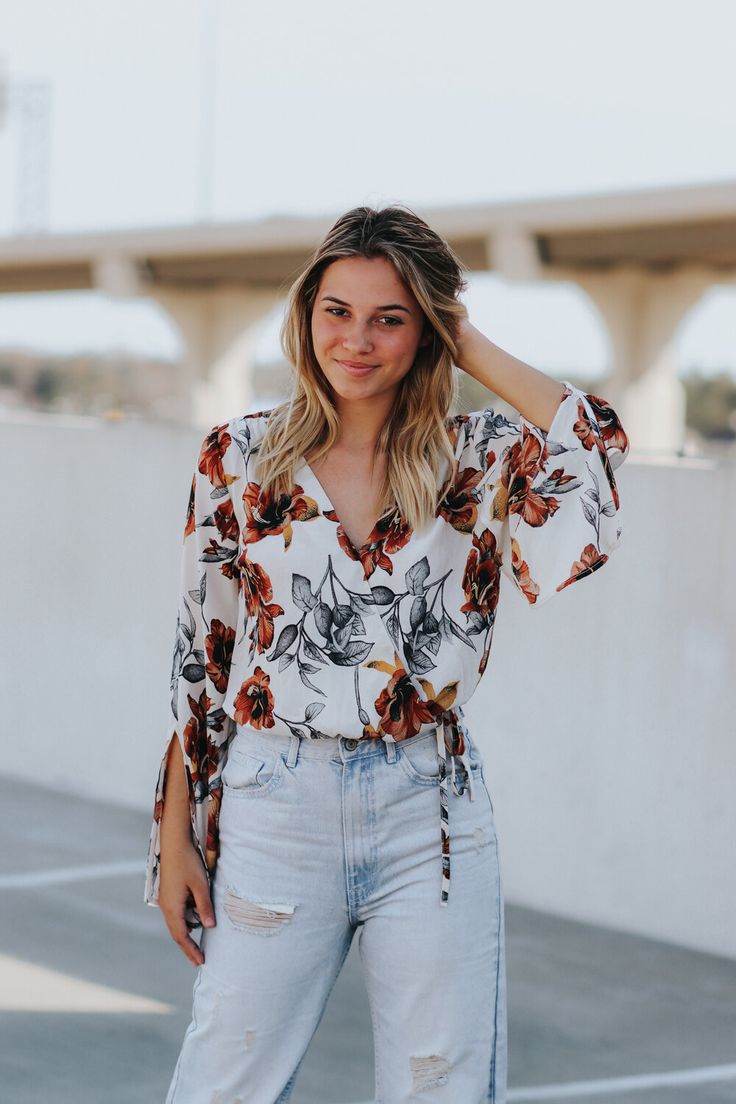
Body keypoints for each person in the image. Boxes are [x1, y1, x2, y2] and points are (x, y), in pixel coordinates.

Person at [143, 203, 630, 1103]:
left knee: (439, 1086)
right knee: (224, 1083)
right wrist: (176, 836)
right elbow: (199, 661)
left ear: (427, 332)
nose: (356, 339)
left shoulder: (477, 461)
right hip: (273, 803)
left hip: (430, 815)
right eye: (337, 311)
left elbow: (594, 447)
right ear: (306, 317)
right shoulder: (241, 459)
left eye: (389, 317)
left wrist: (466, 337)